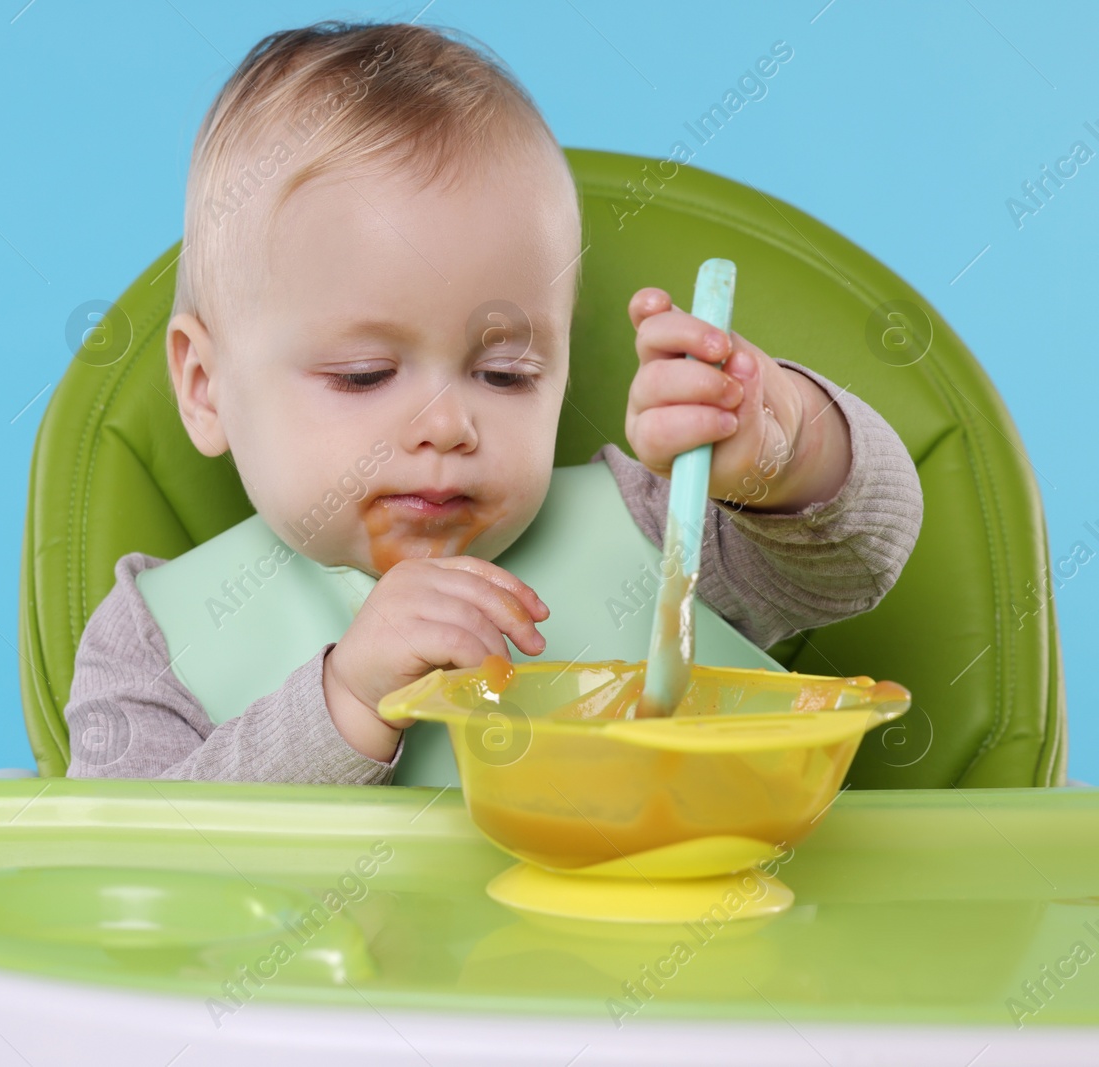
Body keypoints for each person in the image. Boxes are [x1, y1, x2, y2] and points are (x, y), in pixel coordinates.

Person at [62, 20, 922, 783]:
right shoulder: (159, 639)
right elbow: (121, 879)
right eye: (364, 375)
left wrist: (780, 445)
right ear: (207, 389)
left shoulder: (651, 531)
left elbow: (856, 563)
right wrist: (343, 702)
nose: (446, 425)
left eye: (505, 374)